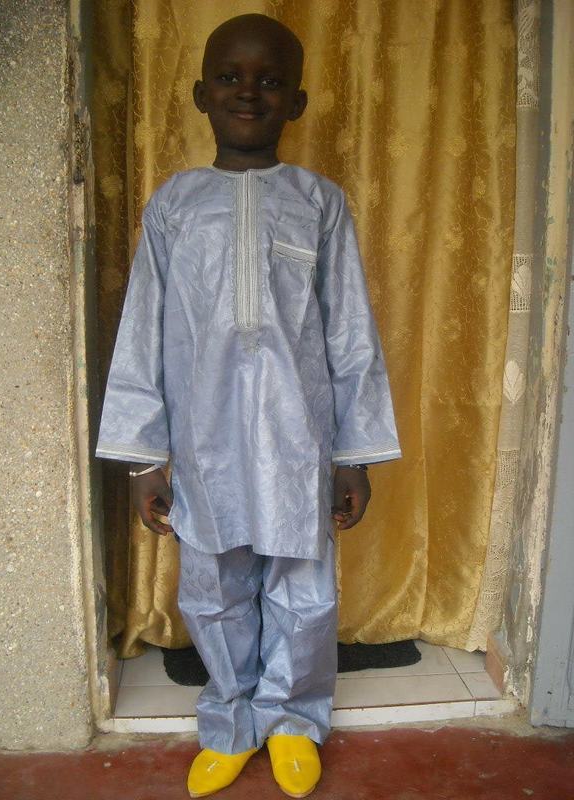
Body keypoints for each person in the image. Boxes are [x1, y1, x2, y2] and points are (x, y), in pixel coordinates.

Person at [96, 13, 401, 798]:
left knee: (304, 589)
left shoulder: (318, 202)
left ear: (295, 103)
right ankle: (230, 722)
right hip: (204, 442)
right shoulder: (175, 205)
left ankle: (294, 722)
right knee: (213, 588)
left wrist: (353, 456)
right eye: (230, 77)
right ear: (201, 93)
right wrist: (143, 459)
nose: (247, 92)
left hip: (299, 439)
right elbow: (143, 331)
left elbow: (350, 330)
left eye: (269, 81)